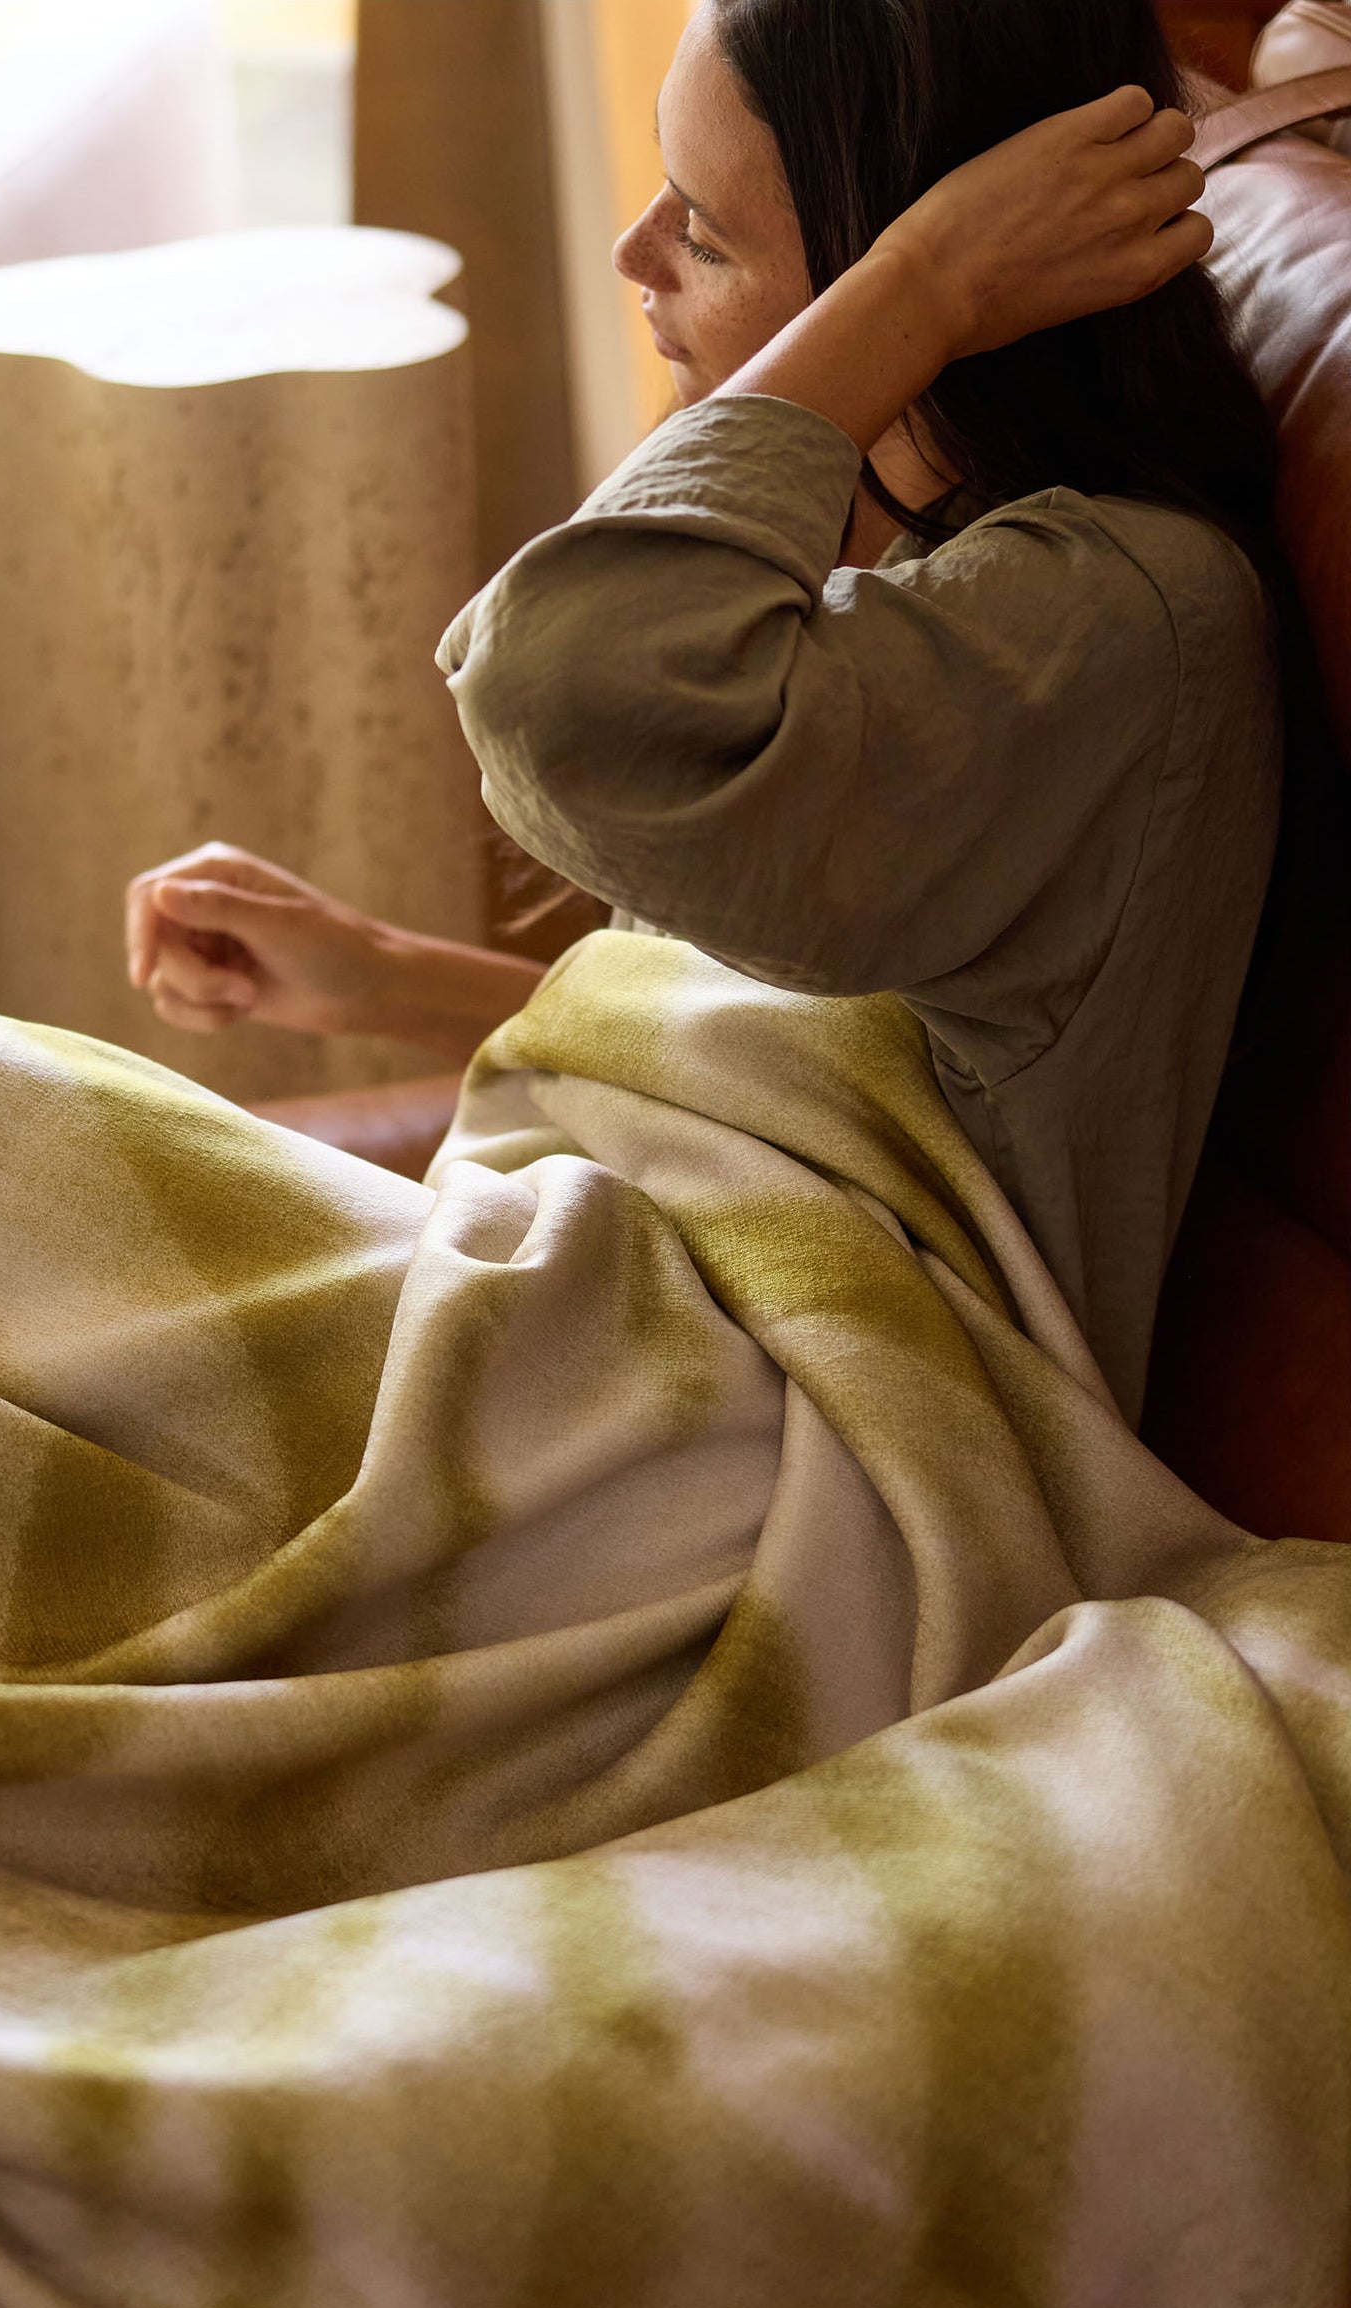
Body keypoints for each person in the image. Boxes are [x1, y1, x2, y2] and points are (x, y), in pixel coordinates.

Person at [126, 0, 1287, 1419]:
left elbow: (570, 687)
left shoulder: (1119, 616)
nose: (633, 256)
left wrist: (917, 284)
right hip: (605, 1310)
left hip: (761, 1423)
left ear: (968, 280)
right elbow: (809, 1073)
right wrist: (380, 976)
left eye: (706, 232)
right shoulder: (928, 566)